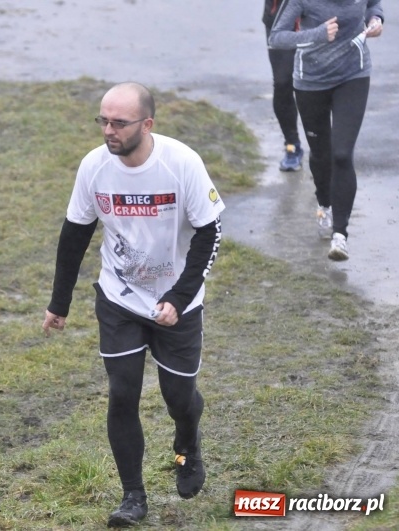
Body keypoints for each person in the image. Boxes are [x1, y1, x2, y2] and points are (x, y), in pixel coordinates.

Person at [42, 82, 225, 527]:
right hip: (119, 298)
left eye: (119, 123)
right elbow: (75, 233)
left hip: (178, 301)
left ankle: (188, 447)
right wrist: (59, 302)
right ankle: (133, 497)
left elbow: (210, 230)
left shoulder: (181, 163)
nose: (109, 130)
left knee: (178, 397)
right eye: (103, 121)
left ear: (147, 124)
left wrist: (179, 299)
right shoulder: (94, 167)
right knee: (122, 392)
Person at [269, 0, 384, 261]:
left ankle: (340, 235)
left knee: (342, 154)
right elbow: (277, 37)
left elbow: (374, 4)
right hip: (311, 82)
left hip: (354, 75)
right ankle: (325, 204)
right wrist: (318, 34)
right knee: (321, 154)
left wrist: (376, 19)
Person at [263, 0, 305, 172]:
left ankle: (323, 146)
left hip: (319, 14)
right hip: (279, 15)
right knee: (282, 82)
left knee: (317, 83)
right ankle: (292, 145)